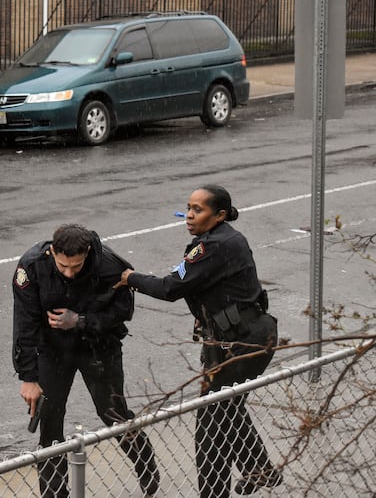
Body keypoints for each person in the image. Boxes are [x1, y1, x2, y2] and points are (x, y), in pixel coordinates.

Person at [115, 184, 282, 497]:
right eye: (188, 208)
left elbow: (170, 287)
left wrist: (130, 278)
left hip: (241, 342)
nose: (189, 216)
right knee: (228, 408)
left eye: (198, 210)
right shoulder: (217, 240)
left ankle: (217, 491)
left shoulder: (213, 246)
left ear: (219, 215)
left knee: (211, 425)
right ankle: (259, 468)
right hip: (238, 338)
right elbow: (190, 280)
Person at [12, 223, 159, 497]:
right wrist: (28, 377)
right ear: (52, 252)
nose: (69, 273)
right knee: (50, 422)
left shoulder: (109, 265)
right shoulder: (32, 267)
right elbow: (24, 324)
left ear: (87, 253)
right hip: (53, 349)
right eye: (62, 266)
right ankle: (55, 493)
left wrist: (81, 321)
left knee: (113, 415)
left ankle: (145, 465)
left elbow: (124, 311)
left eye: (76, 266)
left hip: (98, 346)